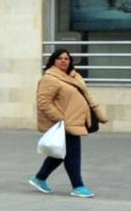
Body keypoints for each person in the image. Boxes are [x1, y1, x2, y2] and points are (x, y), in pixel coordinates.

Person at [31, 47, 109, 198]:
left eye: (66, 58)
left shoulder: (75, 76)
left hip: (75, 121)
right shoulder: (50, 78)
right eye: (59, 58)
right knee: (73, 153)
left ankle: (39, 178)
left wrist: (97, 112)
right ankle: (78, 186)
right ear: (53, 61)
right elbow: (43, 102)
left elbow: (86, 96)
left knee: (61, 153)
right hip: (65, 123)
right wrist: (61, 119)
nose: (63, 61)